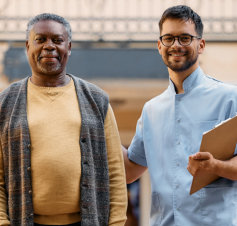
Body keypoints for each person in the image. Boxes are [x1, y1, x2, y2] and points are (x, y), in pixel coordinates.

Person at [0, 13, 127, 226]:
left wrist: (116, 223)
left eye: (57, 40)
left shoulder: (96, 100)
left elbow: (114, 171)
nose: (49, 46)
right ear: (28, 46)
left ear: (69, 47)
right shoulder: (5, 104)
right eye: (40, 39)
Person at [123, 5, 237, 226]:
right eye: (169, 38)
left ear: (200, 44)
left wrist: (216, 167)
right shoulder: (151, 110)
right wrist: (99, 125)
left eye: (185, 38)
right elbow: (129, 171)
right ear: (159, 45)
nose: (176, 45)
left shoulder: (230, 98)